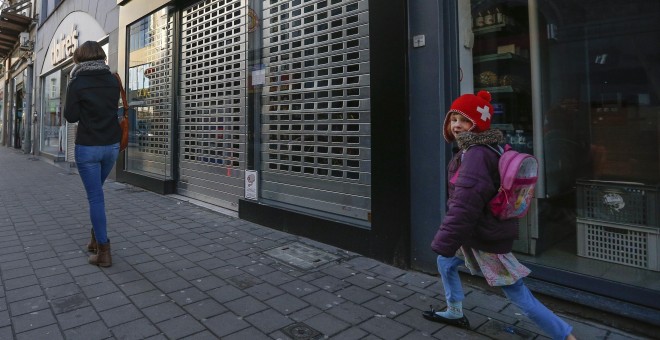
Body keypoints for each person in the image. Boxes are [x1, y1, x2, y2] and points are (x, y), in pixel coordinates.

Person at [422, 91, 576, 340]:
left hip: (484, 237)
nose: (457, 125)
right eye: (453, 119)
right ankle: (454, 310)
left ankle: (565, 335)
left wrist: (444, 240)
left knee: (517, 293)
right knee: (446, 262)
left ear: (477, 124)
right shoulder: (488, 147)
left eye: (464, 120)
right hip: (476, 232)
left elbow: (465, 204)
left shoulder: (475, 155)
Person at [64, 41, 121, 267]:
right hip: (112, 146)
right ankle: (95, 239)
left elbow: (71, 116)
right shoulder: (113, 79)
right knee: (97, 193)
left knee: (95, 198)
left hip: (88, 146)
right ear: (101, 56)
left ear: (80, 58)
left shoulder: (77, 83)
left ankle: (104, 252)